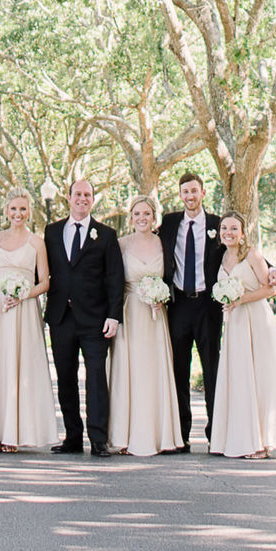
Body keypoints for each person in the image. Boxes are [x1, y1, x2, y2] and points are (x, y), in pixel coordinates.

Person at [43, 176, 125, 457]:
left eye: (88, 195)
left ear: (93, 199)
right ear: (69, 197)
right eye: (78, 194)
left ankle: (98, 439)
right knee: (65, 378)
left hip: (95, 319)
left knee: (96, 379)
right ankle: (72, 437)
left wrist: (114, 316)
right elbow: (45, 271)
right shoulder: (51, 232)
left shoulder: (106, 234)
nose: (82, 199)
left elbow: (115, 278)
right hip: (61, 317)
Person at [0, 185, 52, 451]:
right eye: (14, 209)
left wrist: (24, 295)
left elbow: (46, 282)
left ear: (30, 211)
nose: (18, 213)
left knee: (21, 364)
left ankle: (15, 435)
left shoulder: (37, 242)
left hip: (23, 310)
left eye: (23, 209)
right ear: (6, 211)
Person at [207, 212, 276, 459]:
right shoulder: (221, 256)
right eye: (224, 228)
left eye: (234, 228)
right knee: (239, 379)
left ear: (243, 232)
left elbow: (270, 290)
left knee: (258, 377)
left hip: (256, 320)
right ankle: (239, 438)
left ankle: (262, 442)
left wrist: (240, 299)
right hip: (235, 323)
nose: (228, 232)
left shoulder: (253, 255)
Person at [160, 171, 226, 451]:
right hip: (178, 306)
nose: (190, 196)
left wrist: (269, 268)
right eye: (185, 191)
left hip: (208, 304)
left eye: (194, 191)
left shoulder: (217, 224)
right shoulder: (169, 222)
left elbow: (240, 246)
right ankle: (181, 434)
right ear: (180, 195)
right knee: (178, 371)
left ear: (203, 193)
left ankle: (217, 433)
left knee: (212, 369)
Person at [110, 194, 181, 455]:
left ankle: (159, 435)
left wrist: (161, 298)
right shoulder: (121, 244)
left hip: (155, 316)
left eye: (147, 214)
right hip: (130, 314)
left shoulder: (164, 244)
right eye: (137, 214)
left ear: (154, 217)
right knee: (129, 372)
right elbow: (111, 279)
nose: (142, 218)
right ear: (130, 218)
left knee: (153, 372)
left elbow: (173, 276)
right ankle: (126, 436)